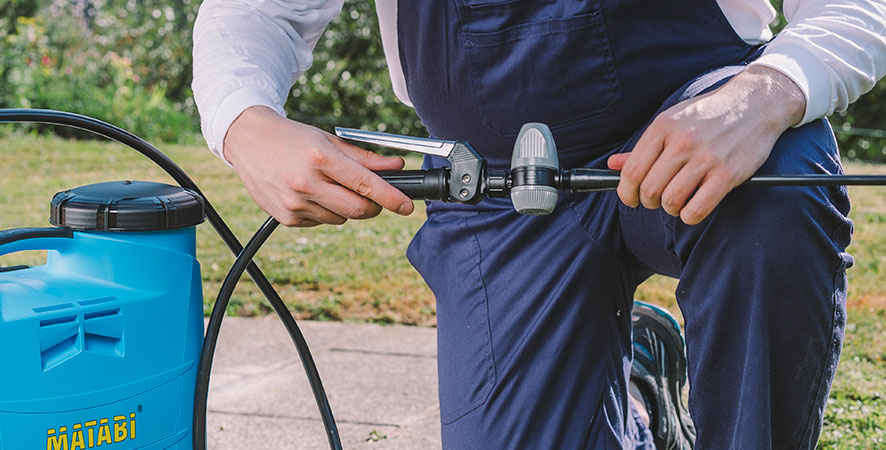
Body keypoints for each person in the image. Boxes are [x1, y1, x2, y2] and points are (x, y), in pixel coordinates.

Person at [192, 0, 886, 448]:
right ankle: (637, 393)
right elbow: (254, 14)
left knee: (776, 198)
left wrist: (767, 94)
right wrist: (246, 122)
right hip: (499, 185)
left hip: (701, 135)